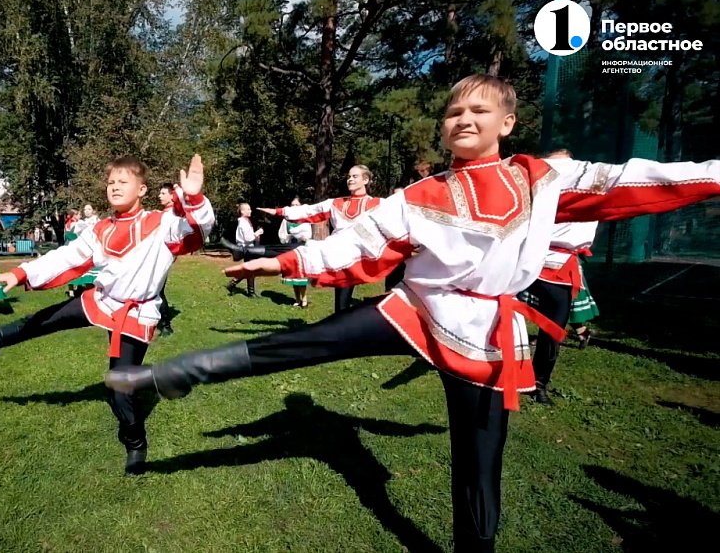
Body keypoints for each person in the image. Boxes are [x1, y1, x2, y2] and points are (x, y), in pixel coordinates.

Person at [105, 75, 720, 552]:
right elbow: (356, 242)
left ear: (507, 121)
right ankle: (165, 376)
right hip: (415, 310)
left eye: (479, 111)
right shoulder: (420, 196)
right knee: (311, 341)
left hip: (486, 336)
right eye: (454, 112)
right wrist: (281, 264)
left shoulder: (543, 178)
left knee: (480, 460)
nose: (464, 119)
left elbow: (640, 179)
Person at [0, 154, 213, 475]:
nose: (114, 187)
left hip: (135, 314)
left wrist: (196, 197)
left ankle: (135, 443)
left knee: (120, 387)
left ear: (142, 189)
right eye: (111, 183)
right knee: (49, 317)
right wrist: (19, 274)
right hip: (101, 301)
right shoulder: (100, 229)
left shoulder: (161, 224)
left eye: (123, 182)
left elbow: (199, 229)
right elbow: (64, 258)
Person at [518, 149, 599, 405]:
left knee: (552, 331)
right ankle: (493, 371)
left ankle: (537, 382)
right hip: (525, 263)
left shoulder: (590, 189)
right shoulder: (533, 188)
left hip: (561, 270)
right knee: (499, 318)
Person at [257, 165, 384, 313]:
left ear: (366, 180)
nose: (350, 179)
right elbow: (309, 210)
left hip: (360, 257)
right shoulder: (336, 203)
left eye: (355, 176)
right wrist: (279, 211)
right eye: (349, 177)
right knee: (299, 252)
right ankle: (244, 250)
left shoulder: (378, 204)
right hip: (338, 254)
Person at [277, 197, 312, 307]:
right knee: (293, 276)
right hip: (290, 249)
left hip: (301, 250)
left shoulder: (305, 219)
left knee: (301, 275)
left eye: (297, 205)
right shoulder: (286, 220)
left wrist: (301, 236)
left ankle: (304, 299)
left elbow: (308, 235)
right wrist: (287, 237)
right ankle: (297, 299)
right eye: (292, 205)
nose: (294, 207)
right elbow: (282, 235)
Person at [225, 203, 264, 297]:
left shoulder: (245, 221)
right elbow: (248, 238)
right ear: (242, 211)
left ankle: (245, 289)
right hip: (247, 249)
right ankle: (241, 287)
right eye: (248, 209)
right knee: (250, 270)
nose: (250, 211)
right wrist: (258, 232)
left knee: (250, 270)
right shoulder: (243, 222)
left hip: (248, 248)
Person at [156, 184, 179, 335]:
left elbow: (174, 238)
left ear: (172, 196)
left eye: (163, 193)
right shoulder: (164, 213)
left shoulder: (173, 215)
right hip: (156, 255)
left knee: (158, 289)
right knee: (154, 289)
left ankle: (165, 324)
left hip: (163, 256)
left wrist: (171, 255)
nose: (159, 196)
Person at [65, 203, 101, 297]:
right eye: (85, 209)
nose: (87, 211)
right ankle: (87, 292)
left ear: (93, 210)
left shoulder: (97, 221)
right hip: (84, 249)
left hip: (95, 248)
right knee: (86, 271)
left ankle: (93, 292)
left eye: (89, 209)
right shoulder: (81, 222)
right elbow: (75, 235)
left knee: (95, 271)